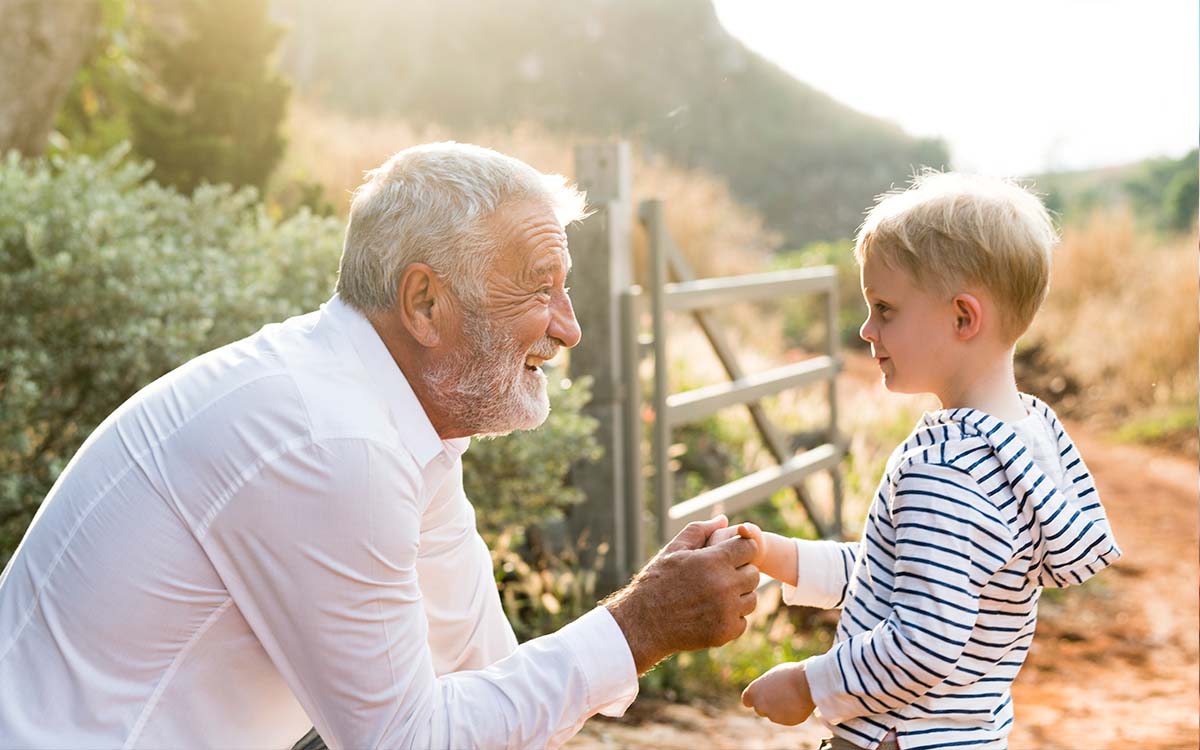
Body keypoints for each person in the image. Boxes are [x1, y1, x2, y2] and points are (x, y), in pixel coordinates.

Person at [0, 142, 761, 749]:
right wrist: (637, 628)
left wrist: (634, 631)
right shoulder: (332, 441)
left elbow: (490, 685)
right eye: (539, 288)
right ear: (426, 303)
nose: (569, 326)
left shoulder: (391, 419)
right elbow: (404, 741)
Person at [710, 172, 1121, 750]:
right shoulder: (1025, 439)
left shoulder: (947, 469)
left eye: (885, 309)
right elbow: (903, 574)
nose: (867, 329)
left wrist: (809, 684)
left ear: (962, 319)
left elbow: (923, 640)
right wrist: (778, 555)